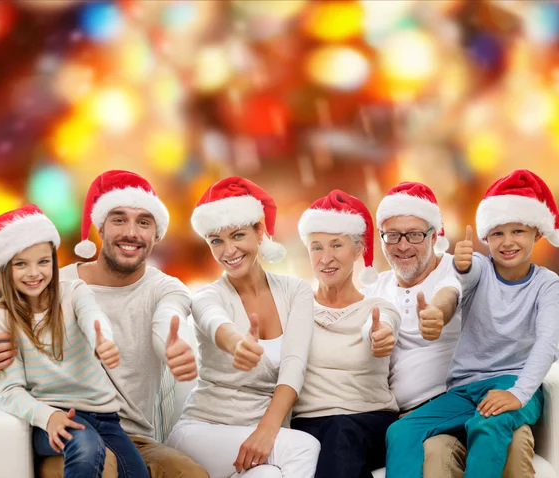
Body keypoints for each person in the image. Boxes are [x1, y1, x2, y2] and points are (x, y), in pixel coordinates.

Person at [0, 170, 208, 478]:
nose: (131, 232)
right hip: (64, 432)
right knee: (99, 464)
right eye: (119, 219)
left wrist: (171, 345)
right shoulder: (52, 283)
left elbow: (168, 318)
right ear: (100, 226)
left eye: (144, 222)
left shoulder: (166, 288)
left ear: (157, 234)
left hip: (131, 438)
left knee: (190, 474)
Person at [385, 169, 559, 478]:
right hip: (465, 389)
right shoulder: (478, 265)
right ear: (486, 237)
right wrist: (454, 282)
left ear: (538, 233)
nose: (507, 242)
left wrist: (518, 393)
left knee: (488, 423)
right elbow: (456, 284)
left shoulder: (548, 285)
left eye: (517, 231)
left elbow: (548, 343)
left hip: (515, 384)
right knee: (401, 431)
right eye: (497, 233)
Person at [0, 204, 148, 478]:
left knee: (137, 473)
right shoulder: (1, 316)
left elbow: (93, 316)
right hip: (51, 415)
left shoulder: (74, 292)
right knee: (86, 447)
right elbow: (10, 391)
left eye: (43, 261)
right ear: (5, 268)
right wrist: (48, 417)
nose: (34, 273)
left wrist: (102, 339)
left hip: (106, 417)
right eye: (21, 264)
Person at [167, 176, 320, 478]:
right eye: (216, 241)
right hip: (203, 432)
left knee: (269, 476)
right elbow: (215, 323)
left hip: (257, 437)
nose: (228, 251)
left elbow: (294, 366)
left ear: (259, 231)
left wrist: (266, 429)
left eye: (237, 235)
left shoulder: (296, 292)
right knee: (304, 448)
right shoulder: (208, 296)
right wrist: (237, 343)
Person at [290, 190, 401, 478]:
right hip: (308, 424)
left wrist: (379, 335)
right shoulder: (295, 309)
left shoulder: (377, 308)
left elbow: (380, 326)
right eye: (316, 247)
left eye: (336, 245)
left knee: (341, 432)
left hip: (370, 421)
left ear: (358, 249)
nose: (325, 258)